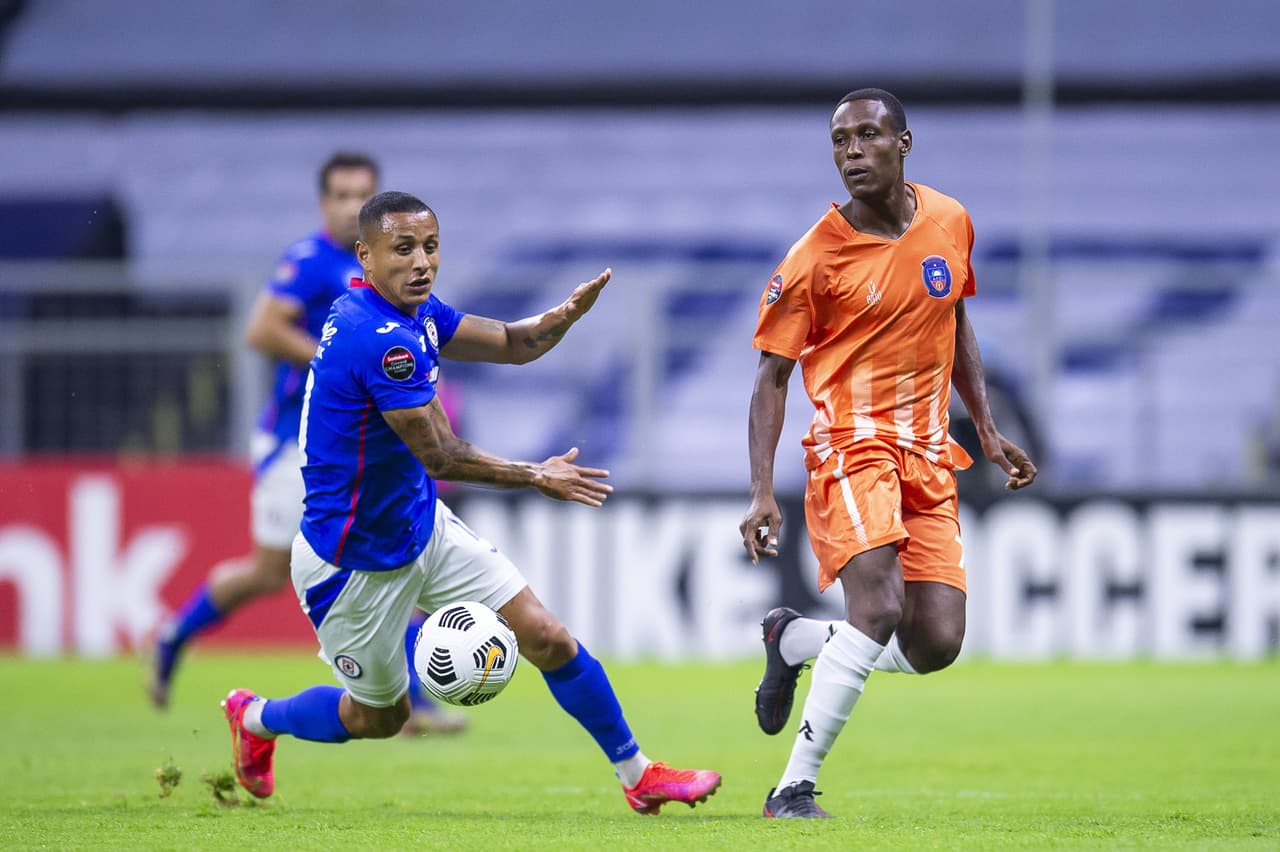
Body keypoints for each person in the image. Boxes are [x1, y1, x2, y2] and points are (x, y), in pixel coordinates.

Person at [220, 191, 721, 814]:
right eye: (403, 249)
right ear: (366, 255)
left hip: (420, 526)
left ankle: (638, 776)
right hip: (352, 564)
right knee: (381, 716)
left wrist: (563, 315)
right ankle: (257, 718)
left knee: (546, 636)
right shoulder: (380, 341)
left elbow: (513, 341)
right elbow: (441, 456)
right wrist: (536, 475)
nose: (422, 262)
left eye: (430, 247)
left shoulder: (411, 313)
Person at [739, 89, 1036, 819]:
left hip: (931, 454)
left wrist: (987, 432)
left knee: (936, 640)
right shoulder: (815, 258)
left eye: (868, 136)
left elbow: (955, 321)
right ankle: (792, 788)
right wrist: (759, 491)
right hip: (852, 447)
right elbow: (771, 376)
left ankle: (796, 638)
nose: (851, 153)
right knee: (877, 608)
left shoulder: (949, 221)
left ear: (904, 143)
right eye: (840, 141)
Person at [149, 152, 465, 734]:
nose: (350, 207)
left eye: (360, 195)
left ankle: (413, 701)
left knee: (401, 547)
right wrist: (339, 360)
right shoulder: (309, 262)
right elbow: (261, 329)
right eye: (340, 196)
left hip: (360, 446)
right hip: (297, 442)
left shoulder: (392, 272)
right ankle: (174, 635)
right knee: (268, 573)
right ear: (323, 204)